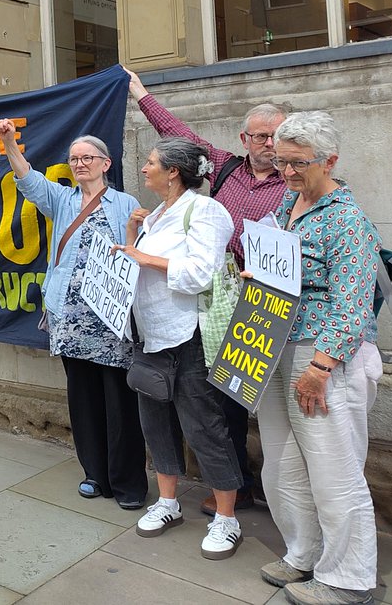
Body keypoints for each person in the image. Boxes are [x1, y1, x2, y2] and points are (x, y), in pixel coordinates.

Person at [126, 67, 286, 516]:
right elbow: (179, 137)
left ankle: (282, 496)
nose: (269, 144)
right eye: (261, 136)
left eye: (276, 136)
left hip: (264, 299)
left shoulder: (293, 182)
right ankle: (238, 489)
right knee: (222, 401)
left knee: (268, 401)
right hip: (216, 302)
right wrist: (140, 93)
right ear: (244, 139)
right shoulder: (226, 168)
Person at [255, 112, 381, 605]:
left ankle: (348, 579)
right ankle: (303, 553)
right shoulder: (289, 202)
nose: (286, 172)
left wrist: (320, 369)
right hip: (276, 344)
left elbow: (352, 307)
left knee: (334, 473)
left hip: (321, 356)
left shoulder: (348, 221)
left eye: (297, 163)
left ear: (329, 161)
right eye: (280, 161)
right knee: (283, 465)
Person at [0, 119, 146, 507]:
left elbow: (134, 254)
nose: (79, 164)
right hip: (70, 316)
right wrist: (9, 142)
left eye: (87, 158)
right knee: (83, 398)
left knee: (119, 401)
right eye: (74, 159)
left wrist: (132, 232)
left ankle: (127, 483)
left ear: (105, 163)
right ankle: (94, 473)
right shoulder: (61, 200)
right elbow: (27, 178)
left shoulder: (126, 204)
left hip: (110, 320)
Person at [116, 138, 243, 560]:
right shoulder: (155, 215)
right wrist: (133, 236)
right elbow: (137, 262)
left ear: (173, 172)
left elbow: (201, 273)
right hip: (151, 334)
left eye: (151, 162)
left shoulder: (205, 211)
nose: (144, 168)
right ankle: (168, 501)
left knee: (204, 426)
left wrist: (144, 258)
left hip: (189, 336)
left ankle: (226, 517)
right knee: (154, 421)